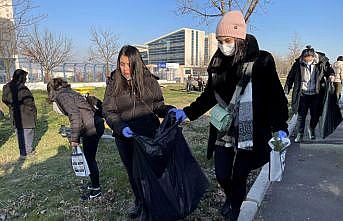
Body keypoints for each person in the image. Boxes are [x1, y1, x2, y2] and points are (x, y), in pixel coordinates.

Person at [171, 11, 289, 221]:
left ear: (239, 38)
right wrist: (187, 112)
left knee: (239, 175)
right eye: (219, 40)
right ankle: (231, 196)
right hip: (223, 128)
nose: (223, 45)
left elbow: (276, 98)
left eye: (227, 40)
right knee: (222, 173)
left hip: (250, 129)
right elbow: (209, 96)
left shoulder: (262, 61)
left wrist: (280, 126)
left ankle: (236, 209)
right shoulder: (216, 63)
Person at [102, 45, 176, 219]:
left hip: (148, 135)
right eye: (121, 64)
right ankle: (140, 202)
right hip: (125, 136)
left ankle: (155, 202)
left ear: (137, 63)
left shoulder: (149, 80)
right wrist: (120, 127)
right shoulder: (114, 81)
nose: (125, 69)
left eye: (129, 64)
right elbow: (108, 110)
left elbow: (158, 105)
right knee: (133, 173)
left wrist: (170, 111)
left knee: (150, 172)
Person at [47, 78, 104, 200]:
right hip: (94, 124)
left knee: (90, 159)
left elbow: (74, 116)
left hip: (91, 127)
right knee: (90, 158)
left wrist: (74, 138)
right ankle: (94, 184)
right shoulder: (69, 92)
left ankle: (96, 189)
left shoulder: (62, 96)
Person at [284, 45, 335, 142]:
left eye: (308, 60)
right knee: (301, 115)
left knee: (315, 115)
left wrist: (331, 75)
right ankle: (300, 133)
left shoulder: (322, 63)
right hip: (302, 94)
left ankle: (311, 129)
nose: (306, 62)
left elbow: (329, 70)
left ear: (313, 57)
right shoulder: (298, 64)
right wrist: (286, 90)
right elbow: (290, 77)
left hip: (316, 94)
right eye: (305, 59)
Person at [2, 69, 37, 158]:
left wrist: (11, 106)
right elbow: (28, 100)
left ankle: (23, 152)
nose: (26, 79)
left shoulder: (7, 87)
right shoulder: (21, 88)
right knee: (28, 132)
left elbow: (4, 99)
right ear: (21, 77)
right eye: (25, 77)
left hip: (15, 113)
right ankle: (28, 151)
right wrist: (30, 108)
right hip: (26, 113)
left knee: (20, 133)